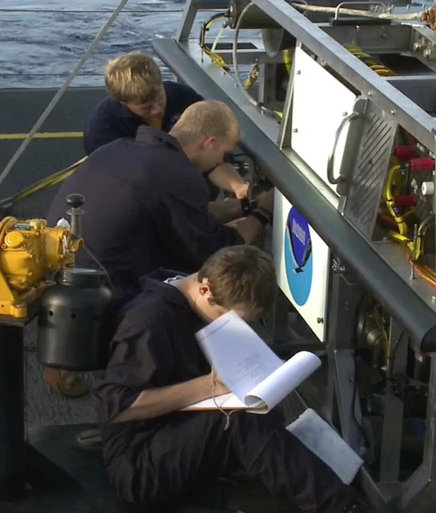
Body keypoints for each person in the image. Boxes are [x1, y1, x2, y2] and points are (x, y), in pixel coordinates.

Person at [95, 245, 359, 512]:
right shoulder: (149, 320)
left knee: (259, 414)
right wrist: (206, 387)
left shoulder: (199, 303)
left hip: (182, 429)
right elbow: (117, 407)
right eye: (232, 319)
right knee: (240, 419)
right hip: (139, 461)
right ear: (205, 290)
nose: (238, 329)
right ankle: (339, 506)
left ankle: (335, 489)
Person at [44, 100, 272, 400]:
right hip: (107, 292)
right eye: (222, 153)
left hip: (59, 276)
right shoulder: (179, 176)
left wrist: (239, 207)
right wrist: (264, 213)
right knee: (201, 287)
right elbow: (220, 251)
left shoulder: (119, 149)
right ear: (209, 142)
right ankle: (151, 393)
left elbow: (178, 212)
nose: (221, 161)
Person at [84, 52, 250, 200]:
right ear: (123, 101)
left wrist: (237, 186)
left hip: (193, 195)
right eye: (146, 107)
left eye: (159, 99)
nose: (157, 110)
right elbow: (120, 184)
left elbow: (211, 153)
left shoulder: (185, 99)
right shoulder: (103, 128)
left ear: (161, 83)